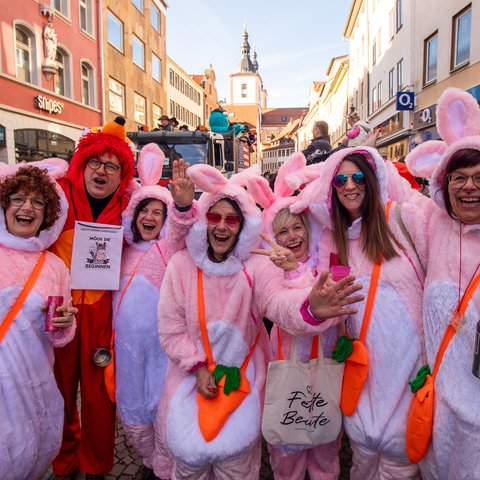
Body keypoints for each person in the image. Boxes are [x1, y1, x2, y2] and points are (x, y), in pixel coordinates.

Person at [156, 164, 364, 480]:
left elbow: (279, 304)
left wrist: (312, 308)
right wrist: (196, 367)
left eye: (232, 220)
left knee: (236, 468)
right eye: (214, 218)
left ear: (243, 226)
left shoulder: (255, 267)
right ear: (204, 222)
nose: (222, 227)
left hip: (244, 384)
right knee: (188, 465)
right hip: (188, 384)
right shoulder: (181, 265)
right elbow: (170, 328)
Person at [291, 146, 425, 480]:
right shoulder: (333, 240)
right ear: (331, 187)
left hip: (407, 367)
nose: (350, 186)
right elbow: (330, 301)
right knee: (363, 459)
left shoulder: (404, 218)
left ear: (373, 179)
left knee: (399, 459)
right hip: (362, 366)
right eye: (340, 179)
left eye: (358, 177)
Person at [247, 152, 343, 480]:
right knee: (286, 448)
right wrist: (293, 273)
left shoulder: (326, 261)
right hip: (287, 362)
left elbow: (339, 303)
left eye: (297, 228)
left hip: (328, 363)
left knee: (325, 445)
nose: (292, 238)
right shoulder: (267, 268)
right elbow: (284, 311)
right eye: (282, 232)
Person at [50, 116, 135, 480]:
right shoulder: (58, 195)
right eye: (95, 163)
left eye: (111, 166)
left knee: (101, 397)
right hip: (60, 309)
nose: (102, 172)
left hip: (104, 310)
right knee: (60, 393)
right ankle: (63, 464)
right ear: (82, 165)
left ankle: (97, 468)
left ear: (122, 174)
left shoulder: (131, 205)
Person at [402, 87, 480, 480]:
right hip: (438, 406)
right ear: (443, 183)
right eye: (460, 177)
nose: (469, 186)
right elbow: (383, 201)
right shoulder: (432, 225)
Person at [113, 144, 196, 480]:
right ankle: (149, 459)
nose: (149, 217)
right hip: (127, 349)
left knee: (163, 405)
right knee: (132, 406)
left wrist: (181, 206)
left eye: (156, 212)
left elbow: (179, 228)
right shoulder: (120, 249)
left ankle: (164, 463)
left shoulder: (168, 249)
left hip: (162, 350)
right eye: (143, 211)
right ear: (133, 214)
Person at [0, 161, 77, 480]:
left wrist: (64, 324)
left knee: (28, 459)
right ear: (5, 206)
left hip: (35, 386)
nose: (27, 207)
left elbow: (61, 336)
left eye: (37, 201)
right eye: (18, 198)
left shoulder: (55, 266)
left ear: (47, 213)